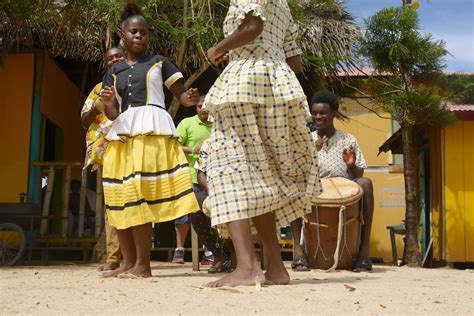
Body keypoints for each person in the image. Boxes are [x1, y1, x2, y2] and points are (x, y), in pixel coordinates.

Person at [203, 0, 322, 287]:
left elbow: (254, 27)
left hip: (245, 83)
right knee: (258, 176)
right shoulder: (283, 5)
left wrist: (218, 49)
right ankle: (276, 268)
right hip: (277, 84)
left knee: (229, 171)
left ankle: (247, 266)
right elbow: (294, 60)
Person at [99, 2, 200, 278]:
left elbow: (180, 94)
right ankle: (127, 263)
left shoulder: (160, 63)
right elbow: (113, 111)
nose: (139, 36)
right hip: (122, 133)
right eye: (133, 32)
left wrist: (188, 98)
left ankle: (143, 266)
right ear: (123, 36)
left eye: (143, 32)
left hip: (151, 132)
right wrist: (108, 103)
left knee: (139, 196)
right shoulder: (114, 71)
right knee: (120, 198)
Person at [290, 90, 374, 272]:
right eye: (315, 113)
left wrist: (351, 165)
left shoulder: (348, 139)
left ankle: (364, 252)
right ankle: (298, 251)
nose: (318, 116)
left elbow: (359, 173)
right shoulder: (306, 140)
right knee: (293, 187)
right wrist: (311, 154)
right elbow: (297, 172)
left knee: (366, 183)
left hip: (344, 188)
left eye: (323, 113)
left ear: (333, 114)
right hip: (314, 187)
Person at [80, 46, 125, 271]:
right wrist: (98, 107)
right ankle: (113, 257)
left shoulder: (135, 82)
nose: (115, 60)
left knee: (135, 199)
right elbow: (84, 121)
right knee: (113, 203)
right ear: (106, 63)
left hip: (132, 145)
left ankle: (136, 258)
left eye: (119, 56)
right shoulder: (98, 89)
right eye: (110, 58)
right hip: (106, 150)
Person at [171, 97, 213, 265]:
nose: (203, 109)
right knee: (184, 215)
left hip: (213, 178)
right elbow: (173, 146)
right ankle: (179, 249)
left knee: (209, 214)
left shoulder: (219, 125)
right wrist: (193, 150)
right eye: (199, 106)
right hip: (189, 176)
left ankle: (210, 251)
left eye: (206, 106)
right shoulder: (187, 123)